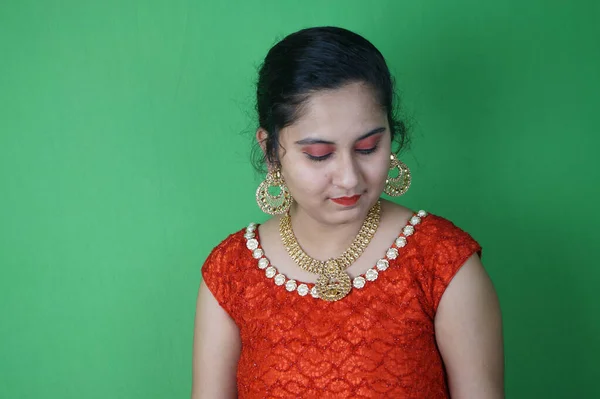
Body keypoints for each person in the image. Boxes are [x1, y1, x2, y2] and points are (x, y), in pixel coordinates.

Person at [191, 26, 504, 399]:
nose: (348, 177)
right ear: (271, 151)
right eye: (320, 154)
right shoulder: (232, 272)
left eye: (368, 147)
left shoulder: (442, 262)